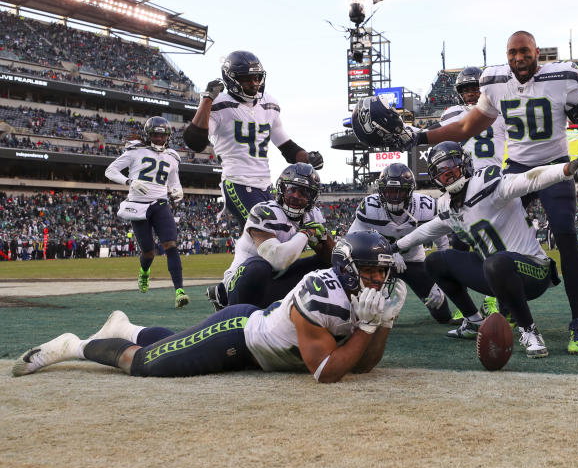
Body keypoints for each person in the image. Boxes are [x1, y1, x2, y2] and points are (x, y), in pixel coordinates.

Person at [358, 32, 578, 354]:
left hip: (552, 162)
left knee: (566, 234)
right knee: (468, 239)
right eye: (512, 52)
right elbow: (464, 128)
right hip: (516, 164)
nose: (518, 57)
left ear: (536, 53)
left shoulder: (560, 77)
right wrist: (419, 138)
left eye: (524, 51)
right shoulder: (496, 84)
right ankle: (492, 311)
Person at [12, 231, 404, 384]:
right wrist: (368, 329)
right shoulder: (320, 292)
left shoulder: (368, 298)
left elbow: (363, 364)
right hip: (240, 336)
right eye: (369, 271)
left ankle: (124, 327)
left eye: (382, 273)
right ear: (347, 269)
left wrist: (383, 323)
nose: (377, 281)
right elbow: (326, 373)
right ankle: (74, 346)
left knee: (181, 342)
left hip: (261, 354)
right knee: (146, 363)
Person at [391, 138, 578, 356]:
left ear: (465, 164)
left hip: (534, 271)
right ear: (435, 178)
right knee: (435, 261)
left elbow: (528, 180)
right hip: (494, 274)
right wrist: (395, 246)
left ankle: (529, 331)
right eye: (441, 170)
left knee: (496, 262)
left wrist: (566, 169)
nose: (449, 173)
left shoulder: (486, 183)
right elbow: (429, 229)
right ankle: (473, 320)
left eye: (452, 165)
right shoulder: (445, 203)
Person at [182, 50, 324, 224]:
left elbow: (286, 147)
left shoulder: (269, 104)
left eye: (257, 77)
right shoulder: (220, 104)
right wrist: (207, 99)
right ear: (231, 78)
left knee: (268, 237)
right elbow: (195, 142)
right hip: (238, 181)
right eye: (246, 78)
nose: (254, 83)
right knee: (267, 229)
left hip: (264, 184)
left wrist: (307, 157)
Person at [206, 162, 334, 310]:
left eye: (304, 192)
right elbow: (277, 260)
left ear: (312, 197)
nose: (295, 196)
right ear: (281, 189)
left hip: (276, 279)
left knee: (326, 265)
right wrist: (305, 233)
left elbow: (333, 258)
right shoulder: (265, 211)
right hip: (244, 281)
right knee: (259, 267)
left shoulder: (312, 215)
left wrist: (324, 237)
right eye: (291, 189)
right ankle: (226, 298)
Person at [347, 162, 458, 326]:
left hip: (413, 261)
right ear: (381, 191)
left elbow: (442, 244)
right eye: (389, 191)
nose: (394, 197)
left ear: (410, 191)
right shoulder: (369, 207)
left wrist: (439, 283)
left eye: (399, 192)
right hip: (380, 263)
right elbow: (352, 242)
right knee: (368, 314)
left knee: (442, 313)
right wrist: (387, 252)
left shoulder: (425, 207)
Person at [439, 66, 506, 316]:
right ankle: (464, 302)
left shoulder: (498, 109)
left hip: (491, 182)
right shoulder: (453, 113)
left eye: (474, 88)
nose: (470, 93)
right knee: (458, 242)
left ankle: (492, 297)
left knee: (490, 246)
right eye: (465, 89)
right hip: (463, 185)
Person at [105, 116, 189, 308]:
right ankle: (144, 272)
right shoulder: (135, 151)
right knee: (149, 252)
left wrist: (177, 189)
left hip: (160, 203)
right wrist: (130, 182)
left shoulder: (172, 156)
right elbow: (110, 171)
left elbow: (174, 181)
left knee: (170, 244)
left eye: (163, 136)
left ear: (168, 136)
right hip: (138, 204)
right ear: (148, 134)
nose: (159, 139)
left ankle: (179, 291)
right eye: (155, 135)